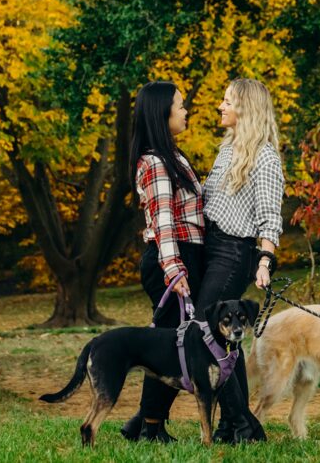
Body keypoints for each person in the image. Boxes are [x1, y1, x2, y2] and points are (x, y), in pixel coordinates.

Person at [196, 77, 284, 443]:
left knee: (208, 331)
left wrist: (265, 261)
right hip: (211, 247)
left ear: (247, 108)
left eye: (228, 100)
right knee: (217, 338)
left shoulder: (264, 157)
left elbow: (269, 216)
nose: (221, 105)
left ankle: (242, 425)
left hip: (234, 253)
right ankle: (235, 426)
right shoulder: (227, 149)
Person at [121, 81, 205, 443]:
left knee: (177, 344)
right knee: (170, 347)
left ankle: (140, 423)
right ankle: (151, 430)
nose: (185, 111)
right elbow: (164, 222)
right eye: (180, 105)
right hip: (172, 259)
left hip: (187, 256)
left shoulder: (175, 156)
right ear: (162, 112)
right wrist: (175, 271)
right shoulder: (154, 162)